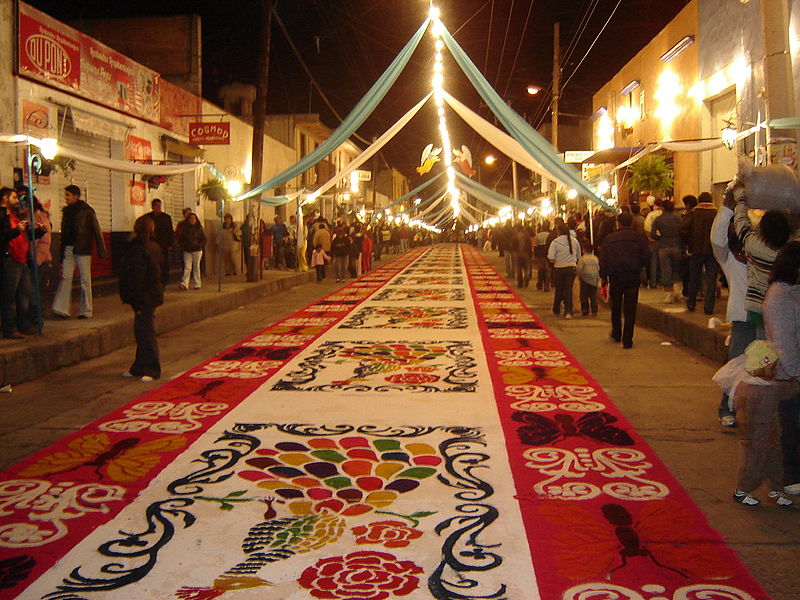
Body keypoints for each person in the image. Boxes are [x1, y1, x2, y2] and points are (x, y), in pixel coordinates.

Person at [730, 340, 793, 507]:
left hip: (771, 432)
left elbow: (785, 390)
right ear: (757, 369)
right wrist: (747, 438)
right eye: (771, 368)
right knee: (753, 464)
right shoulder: (749, 390)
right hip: (755, 436)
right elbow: (742, 416)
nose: (775, 372)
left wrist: (795, 386)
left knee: (775, 461)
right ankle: (743, 490)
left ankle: (776, 489)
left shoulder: (770, 386)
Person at [762, 241, 800, 498]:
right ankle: (790, 477)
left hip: (792, 372)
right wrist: (796, 372)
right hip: (789, 377)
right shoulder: (779, 297)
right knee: (791, 428)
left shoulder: (790, 292)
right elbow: (783, 342)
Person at [712, 188, 752, 427]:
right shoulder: (731, 261)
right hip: (743, 319)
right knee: (737, 363)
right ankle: (726, 408)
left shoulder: (767, 258)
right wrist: (727, 206)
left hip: (770, 318)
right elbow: (717, 239)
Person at [119, 215, 164, 383]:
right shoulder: (150, 247)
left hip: (144, 296)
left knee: (145, 332)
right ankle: (138, 366)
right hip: (148, 294)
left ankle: (153, 369)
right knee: (140, 331)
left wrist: (137, 300)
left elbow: (136, 276)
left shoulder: (141, 249)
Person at [52, 185, 106, 319]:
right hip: (69, 249)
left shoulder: (87, 211)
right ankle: (61, 309)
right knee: (66, 277)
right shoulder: (66, 212)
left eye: (68, 195)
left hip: (83, 249)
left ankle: (86, 310)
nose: (66, 198)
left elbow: (96, 230)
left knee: (84, 280)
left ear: (76, 196)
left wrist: (101, 250)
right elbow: (64, 233)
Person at [0, 187, 47, 338]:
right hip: (10, 259)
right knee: (10, 296)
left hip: (22, 260)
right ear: (5, 198)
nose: (17, 201)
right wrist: (16, 231)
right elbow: (4, 236)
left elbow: (26, 235)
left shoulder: (15, 216)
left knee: (24, 293)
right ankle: (10, 329)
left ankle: (24, 324)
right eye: (14, 197)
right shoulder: (2, 217)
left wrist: (40, 231)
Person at [599, 212, 650, 348]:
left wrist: (603, 276)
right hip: (633, 276)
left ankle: (616, 333)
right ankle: (628, 338)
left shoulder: (610, 238)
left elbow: (604, 259)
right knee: (630, 309)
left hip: (615, 276)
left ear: (618, 223)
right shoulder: (638, 238)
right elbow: (646, 256)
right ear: (631, 223)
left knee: (616, 306)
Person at [680, 191, 719, 314]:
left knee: (694, 277)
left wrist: (689, 241)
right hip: (713, 250)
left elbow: (682, 228)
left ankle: (691, 303)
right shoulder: (717, 214)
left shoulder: (693, 214)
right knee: (711, 279)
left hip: (696, 250)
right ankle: (708, 308)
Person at [651, 199, 683, 303]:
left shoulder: (658, 219)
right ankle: (678, 291)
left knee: (666, 271)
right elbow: (683, 231)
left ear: (662, 208)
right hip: (676, 246)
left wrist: (661, 238)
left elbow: (652, 234)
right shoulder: (678, 218)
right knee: (676, 269)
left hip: (663, 247)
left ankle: (669, 294)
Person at [547, 222, 579, 318]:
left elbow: (551, 257)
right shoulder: (574, 241)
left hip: (559, 268)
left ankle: (556, 308)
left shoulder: (555, 242)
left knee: (559, 289)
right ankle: (568, 311)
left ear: (558, 231)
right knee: (568, 289)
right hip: (571, 268)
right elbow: (578, 255)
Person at [146, 199, 174, 286]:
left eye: (159, 206)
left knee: (164, 264)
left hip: (163, 245)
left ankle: (163, 281)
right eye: (156, 206)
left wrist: (170, 244)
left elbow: (170, 231)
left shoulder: (166, 218)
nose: (158, 208)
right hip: (152, 245)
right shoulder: (148, 218)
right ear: (152, 207)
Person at [178, 213, 205, 290]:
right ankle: (184, 283)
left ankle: (197, 283)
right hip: (187, 250)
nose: (192, 220)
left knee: (196, 267)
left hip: (197, 250)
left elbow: (203, 239)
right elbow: (181, 239)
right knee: (187, 267)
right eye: (191, 218)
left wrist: (199, 245)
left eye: (194, 218)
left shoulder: (199, 229)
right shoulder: (185, 229)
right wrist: (184, 246)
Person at [643, 198, 663, 289]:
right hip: (663, 241)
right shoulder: (664, 214)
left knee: (653, 262)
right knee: (663, 262)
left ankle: (653, 283)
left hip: (653, 240)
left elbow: (646, 228)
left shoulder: (651, 215)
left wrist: (649, 238)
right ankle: (662, 281)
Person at [577, 242, 600, 316]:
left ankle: (585, 309)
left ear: (584, 250)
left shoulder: (582, 259)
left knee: (584, 295)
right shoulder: (595, 258)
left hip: (585, 279)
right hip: (594, 278)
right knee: (593, 295)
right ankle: (594, 309)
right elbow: (598, 268)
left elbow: (579, 269)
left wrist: (579, 276)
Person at [512, 223, 532, 289]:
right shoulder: (526, 235)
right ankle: (526, 278)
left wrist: (513, 252)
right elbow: (529, 244)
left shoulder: (515, 235)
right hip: (526, 253)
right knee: (526, 268)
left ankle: (520, 283)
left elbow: (513, 245)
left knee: (518, 268)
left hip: (517, 253)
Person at [534, 222, 551, 291]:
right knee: (547, 270)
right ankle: (547, 286)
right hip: (547, 254)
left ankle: (540, 285)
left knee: (540, 270)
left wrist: (535, 255)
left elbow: (535, 246)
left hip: (540, 254)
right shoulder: (549, 235)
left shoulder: (538, 235)